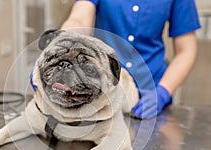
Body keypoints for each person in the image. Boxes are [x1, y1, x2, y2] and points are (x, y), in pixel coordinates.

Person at [60, 0, 201, 119]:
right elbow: (79, 19)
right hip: (102, 94)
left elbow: (186, 51)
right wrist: (58, 50)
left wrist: (162, 93)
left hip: (149, 94)